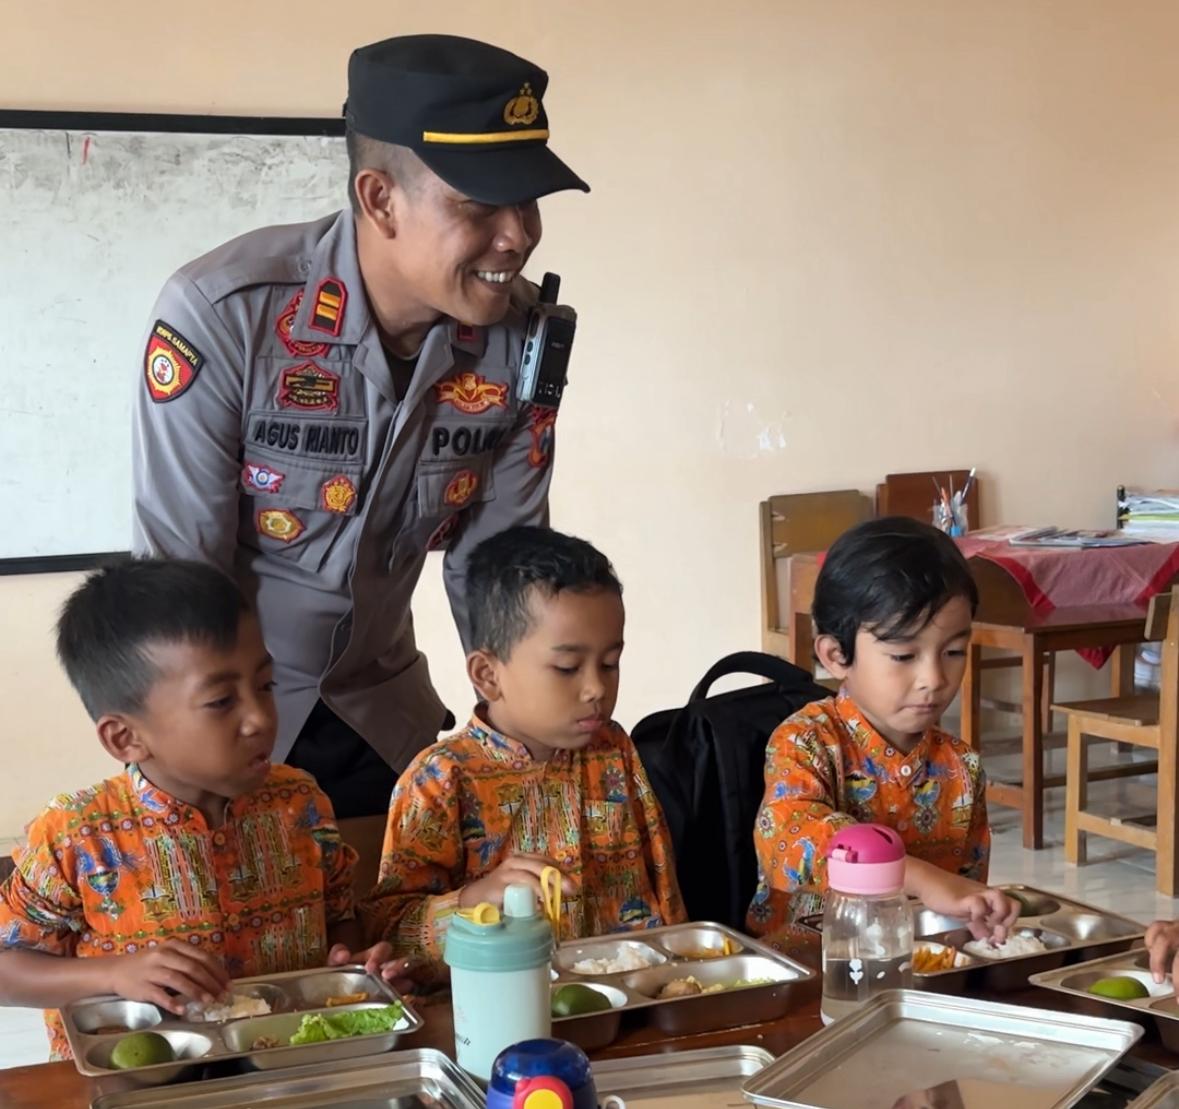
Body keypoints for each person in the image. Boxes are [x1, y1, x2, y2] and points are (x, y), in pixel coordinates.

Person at [130, 34, 589, 823]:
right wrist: (196, 787)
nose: (517, 234)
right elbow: (180, 577)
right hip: (231, 738)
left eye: (528, 201)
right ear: (380, 199)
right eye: (479, 205)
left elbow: (500, 575)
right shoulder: (224, 317)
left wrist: (536, 754)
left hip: (386, 726)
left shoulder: (516, 344)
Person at [0, 559, 398, 1059]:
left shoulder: (300, 802)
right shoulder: (77, 834)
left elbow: (339, 917)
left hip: (282, 1069)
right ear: (126, 737)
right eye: (220, 701)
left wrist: (347, 964)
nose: (259, 718)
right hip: (144, 1081)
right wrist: (114, 974)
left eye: (266, 686)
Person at [360, 527, 685, 971]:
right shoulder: (441, 779)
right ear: (488, 674)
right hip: (501, 1008)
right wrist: (477, 897)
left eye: (610, 664)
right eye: (568, 667)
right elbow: (387, 932)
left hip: (631, 998)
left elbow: (661, 883)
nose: (596, 688)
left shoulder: (613, 750)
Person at [746, 517, 1018, 940]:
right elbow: (790, 839)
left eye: (953, 651)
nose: (933, 677)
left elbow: (963, 892)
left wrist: (978, 912)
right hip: (812, 969)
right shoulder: (807, 741)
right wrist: (920, 878)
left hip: (917, 966)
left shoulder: (961, 766)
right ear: (836, 655)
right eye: (904, 655)